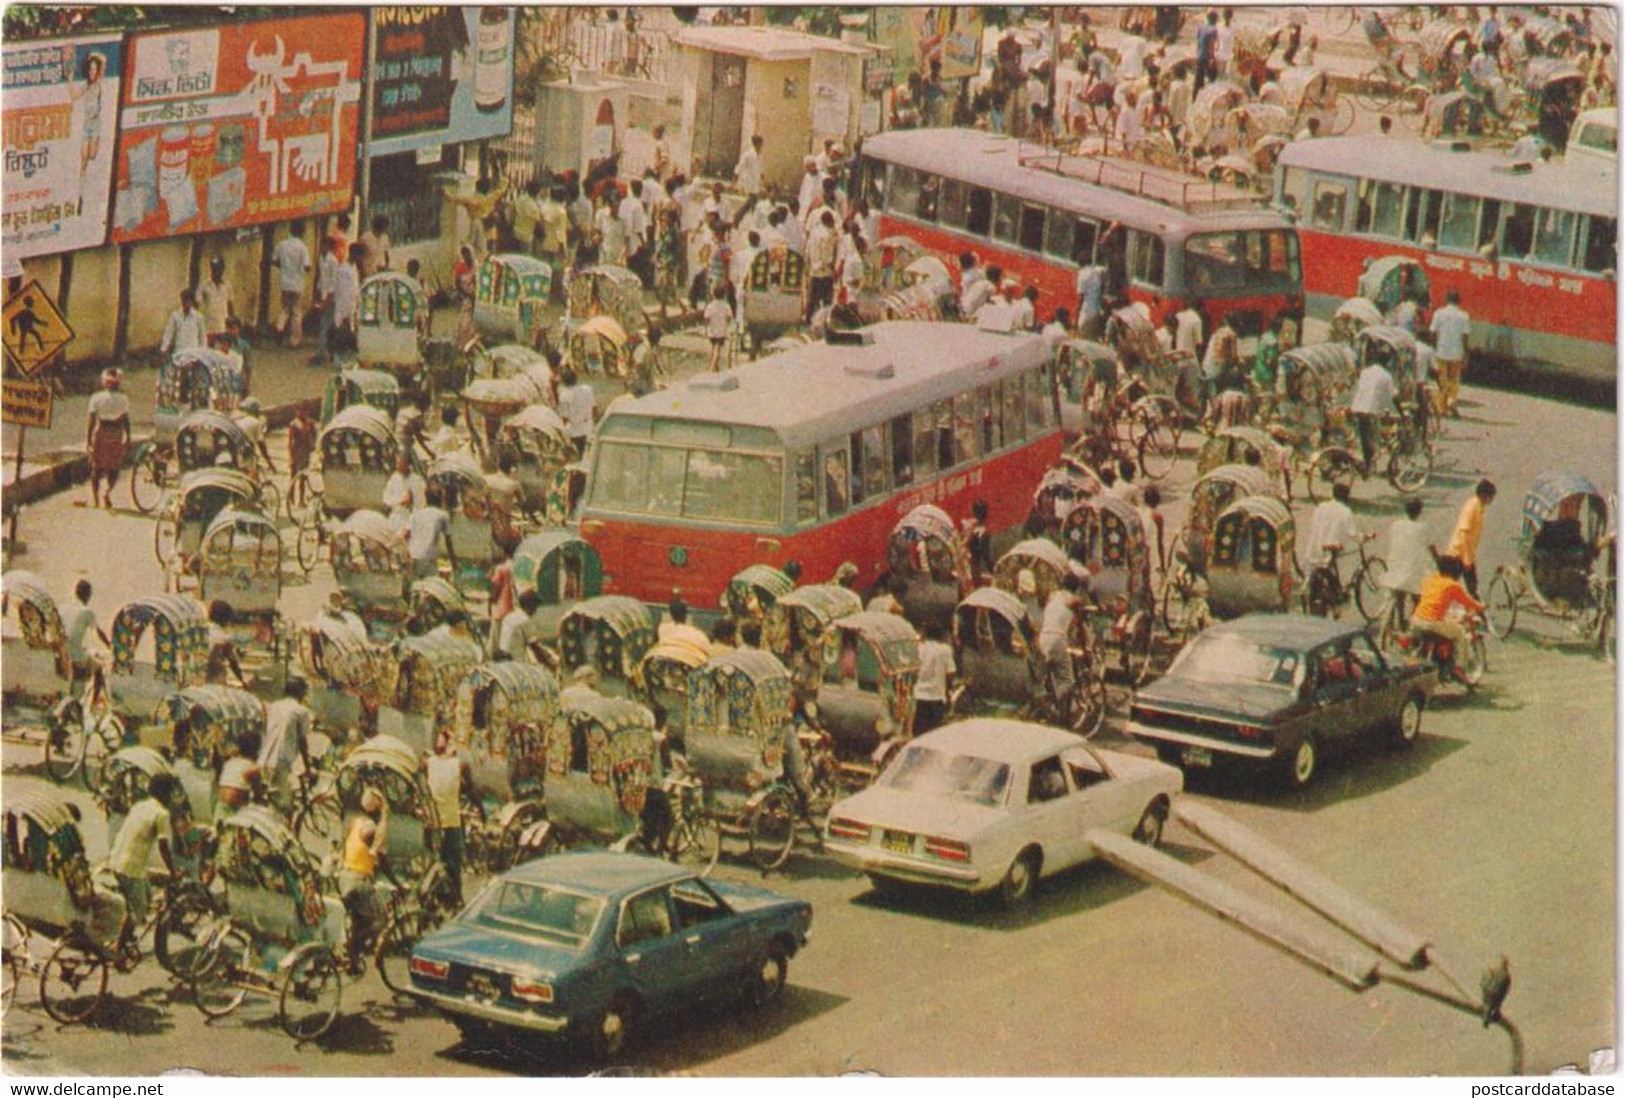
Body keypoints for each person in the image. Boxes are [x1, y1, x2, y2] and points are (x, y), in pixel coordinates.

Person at [103, 772, 180, 957]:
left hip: (116, 859)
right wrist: (172, 871)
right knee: (137, 910)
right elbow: (164, 846)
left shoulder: (140, 805)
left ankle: (126, 936)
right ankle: (117, 948)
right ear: (166, 793)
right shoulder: (162, 814)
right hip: (131, 867)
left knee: (145, 893)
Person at [1411, 555, 1485, 686]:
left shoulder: (1431, 579)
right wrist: (1481, 606)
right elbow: (1468, 602)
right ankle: (1459, 667)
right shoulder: (1452, 585)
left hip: (1416, 620)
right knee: (1460, 633)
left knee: (1447, 620)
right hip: (1432, 623)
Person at [339, 787, 389, 972]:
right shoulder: (370, 829)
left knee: (359, 918)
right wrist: (396, 882)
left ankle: (353, 961)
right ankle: (353, 947)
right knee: (380, 920)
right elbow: (379, 857)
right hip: (357, 881)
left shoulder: (356, 822)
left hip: (344, 877)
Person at [425, 730, 474, 907]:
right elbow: (471, 790)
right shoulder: (460, 765)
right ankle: (456, 897)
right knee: (454, 862)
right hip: (451, 821)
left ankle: (438, 894)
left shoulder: (428, 763)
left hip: (433, 822)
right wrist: (481, 810)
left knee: (433, 858)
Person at [259, 678, 313, 812]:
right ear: (300, 693)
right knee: (286, 806)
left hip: (263, 759)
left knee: (268, 800)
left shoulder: (273, 707)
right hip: (280, 762)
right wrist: (308, 766)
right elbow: (302, 742)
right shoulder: (301, 711)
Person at [83, 368, 130, 509]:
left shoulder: (96, 398)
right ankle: (106, 492)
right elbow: (125, 419)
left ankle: (95, 497)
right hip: (116, 432)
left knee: (97, 467)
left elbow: (91, 421)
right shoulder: (123, 399)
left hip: (101, 431)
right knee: (113, 468)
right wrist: (128, 436)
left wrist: (88, 440)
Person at [1305, 482, 1366, 586]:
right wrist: (1363, 538)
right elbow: (1352, 533)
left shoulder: (1320, 507)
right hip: (1332, 546)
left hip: (1315, 546)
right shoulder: (1345, 511)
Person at [1382, 498, 1433, 623]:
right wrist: (1438, 560)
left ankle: (1400, 618)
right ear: (1419, 512)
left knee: (1400, 592)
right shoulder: (1423, 527)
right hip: (1412, 567)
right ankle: (1414, 621)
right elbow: (1431, 547)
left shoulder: (1396, 524)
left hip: (1394, 564)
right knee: (1418, 593)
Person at [1349, 355, 1398, 477]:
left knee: (1364, 437)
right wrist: (1400, 410)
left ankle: (1367, 465)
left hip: (1358, 406)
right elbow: (1394, 395)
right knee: (1373, 438)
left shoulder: (1365, 372)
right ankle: (1371, 465)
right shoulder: (1386, 376)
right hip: (1371, 410)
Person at [1446, 479, 1496, 597]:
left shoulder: (1479, 506)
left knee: (1471, 587)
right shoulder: (1472, 507)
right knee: (1449, 587)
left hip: (1466, 554)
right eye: (1491, 496)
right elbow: (1464, 533)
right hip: (1458, 554)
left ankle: (1476, 611)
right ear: (1484, 495)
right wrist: (1467, 559)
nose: (1492, 499)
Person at [1429, 289, 1470, 418]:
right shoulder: (1464, 316)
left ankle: (1442, 407)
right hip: (1456, 353)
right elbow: (1465, 337)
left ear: (1447, 300)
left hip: (1441, 351)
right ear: (1458, 301)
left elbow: (1433, 332)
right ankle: (1451, 401)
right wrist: (1466, 354)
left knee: (1442, 380)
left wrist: (1434, 347)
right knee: (1454, 380)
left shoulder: (1439, 313)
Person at [272, 222, 312, 347]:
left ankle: (279, 327)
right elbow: (307, 266)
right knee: (296, 312)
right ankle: (294, 341)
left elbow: (274, 260)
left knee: (284, 308)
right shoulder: (302, 247)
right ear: (302, 232)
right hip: (297, 283)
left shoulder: (281, 244)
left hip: (284, 282)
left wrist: (284, 267)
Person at [405, 484, 456, 581]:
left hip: (413, 556)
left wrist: (407, 553)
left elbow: (406, 535)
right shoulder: (443, 515)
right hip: (429, 557)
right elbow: (448, 541)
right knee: (431, 586)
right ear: (440, 499)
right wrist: (454, 563)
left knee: (414, 586)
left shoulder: (416, 514)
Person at [913, 622, 956, 735]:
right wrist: (948, 691)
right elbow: (950, 673)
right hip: (937, 697)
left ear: (924, 633)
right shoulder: (946, 650)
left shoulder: (917, 648)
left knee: (918, 733)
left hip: (918, 696)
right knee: (935, 734)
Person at [216, 730, 262, 822]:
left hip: (220, 809)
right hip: (236, 812)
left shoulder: (230, 762)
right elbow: (258, 796)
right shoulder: (252, 768)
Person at [558, 367, 597, 457]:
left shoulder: (564, 395)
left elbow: (564, 417)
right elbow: (595, 408)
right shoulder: (587, 389)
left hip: (575, 431)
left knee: (578, 456)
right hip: (588, 427)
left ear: (564, 382)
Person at [383, 452, 427, 529]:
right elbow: (386, 498)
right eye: (397, 463)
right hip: (395, 518)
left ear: (408, 464)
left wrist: (411, 501)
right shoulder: (394, 478)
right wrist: (401, 500)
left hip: (411, 519)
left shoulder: (418, 480)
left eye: (401, 464)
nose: (398, 466)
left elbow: (422, 503)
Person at [159, 288, 206, 356]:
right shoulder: (175, 316)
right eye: (183, 300)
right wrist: (163, 349)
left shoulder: (199, 317)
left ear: (191, 301)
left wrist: (203, 354)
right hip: (179, 353)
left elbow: (202, 338)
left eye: (187, 300)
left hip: (194, 354)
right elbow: (168, 334)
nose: (185, 302)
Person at [198, 257, 234, 339]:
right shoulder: (204, 285)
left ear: (222, 270)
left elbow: (230, 304)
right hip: (208, 326)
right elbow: (198, 304)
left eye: (218, 268)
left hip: (223, 326)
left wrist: (231, 324)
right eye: (214, 268)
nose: (216, 271)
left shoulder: (227, 285)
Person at [704, 284, 733, 373]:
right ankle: (712, 368)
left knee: (714, 348)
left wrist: (706, 327)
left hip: (712, 331)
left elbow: (706, 318)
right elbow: (729, 318)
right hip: (721, 330)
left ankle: (715, 367)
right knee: (717, 349)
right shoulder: (726, 306)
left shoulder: (710, 306)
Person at [1194, 10, 1219, 94]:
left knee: (1198, 79)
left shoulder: (1201, 27)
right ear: (1215, 19)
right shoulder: (1213, 30)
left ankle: (1195, 97)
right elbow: (1211, 46)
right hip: (1206, 57)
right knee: (1212, 78)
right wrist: (1213, 58)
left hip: (1199, 55)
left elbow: (1198, 41)